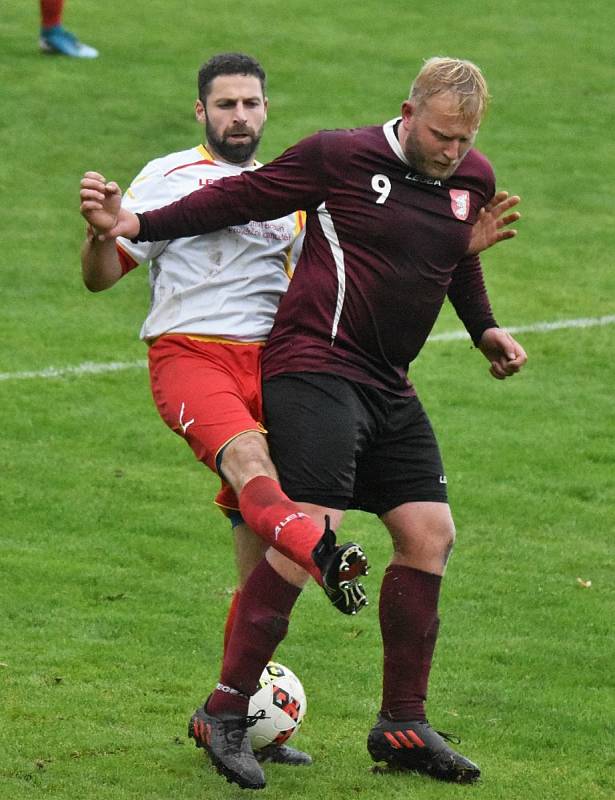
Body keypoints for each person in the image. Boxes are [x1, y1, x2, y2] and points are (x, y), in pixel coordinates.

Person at [81, 56, 525, 790]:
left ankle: (401, 725)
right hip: (315, 366)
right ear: (408, 112)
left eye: (463, 138)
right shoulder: (338, 156)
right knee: (301, 529)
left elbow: (452, 258)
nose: (451, 151)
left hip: (388, 383)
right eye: (441, 135)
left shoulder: (469, 177)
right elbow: (236, 198)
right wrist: (134, 223)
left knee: (428, 533)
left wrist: (483, 329)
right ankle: (224, 712)